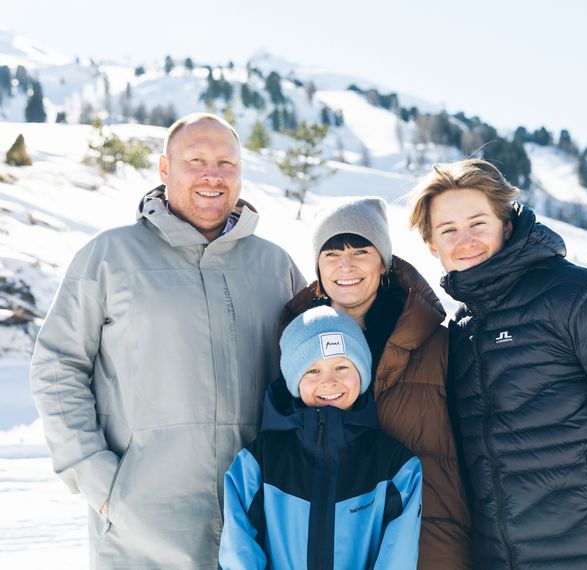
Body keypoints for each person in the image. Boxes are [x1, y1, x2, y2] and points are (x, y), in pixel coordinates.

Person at [30, 113, 306, 569]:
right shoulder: (109, 256)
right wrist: (101, 484)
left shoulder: (275, 266)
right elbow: (57, 365)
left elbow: (309, 377)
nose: (212, 175)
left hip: (256, 525)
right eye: (194, 160)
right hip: (141, 531)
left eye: (225, 162)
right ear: (164, 169)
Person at [408, 158, 587, 570]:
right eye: (448, 230)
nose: (465, 240)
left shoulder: (578, 297)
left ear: (506, 225)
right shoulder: (460, 331)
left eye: (478, 223)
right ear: (432, 246)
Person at [280, 197, 472, 569]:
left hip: (429, 545)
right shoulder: (292, 342)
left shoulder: (439, 344)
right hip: (327, 546)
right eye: (331, 253)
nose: (346, 265)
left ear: (383, 261)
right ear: (317, 266)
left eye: (361, 251)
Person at [219, 305, 422, 569]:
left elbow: (398, 558)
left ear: (362, 373)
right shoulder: (258, 463)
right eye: (312, 371)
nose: (328, 382)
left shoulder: (396, 467)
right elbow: (239, 553)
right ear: (294, 380)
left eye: (341, 367)